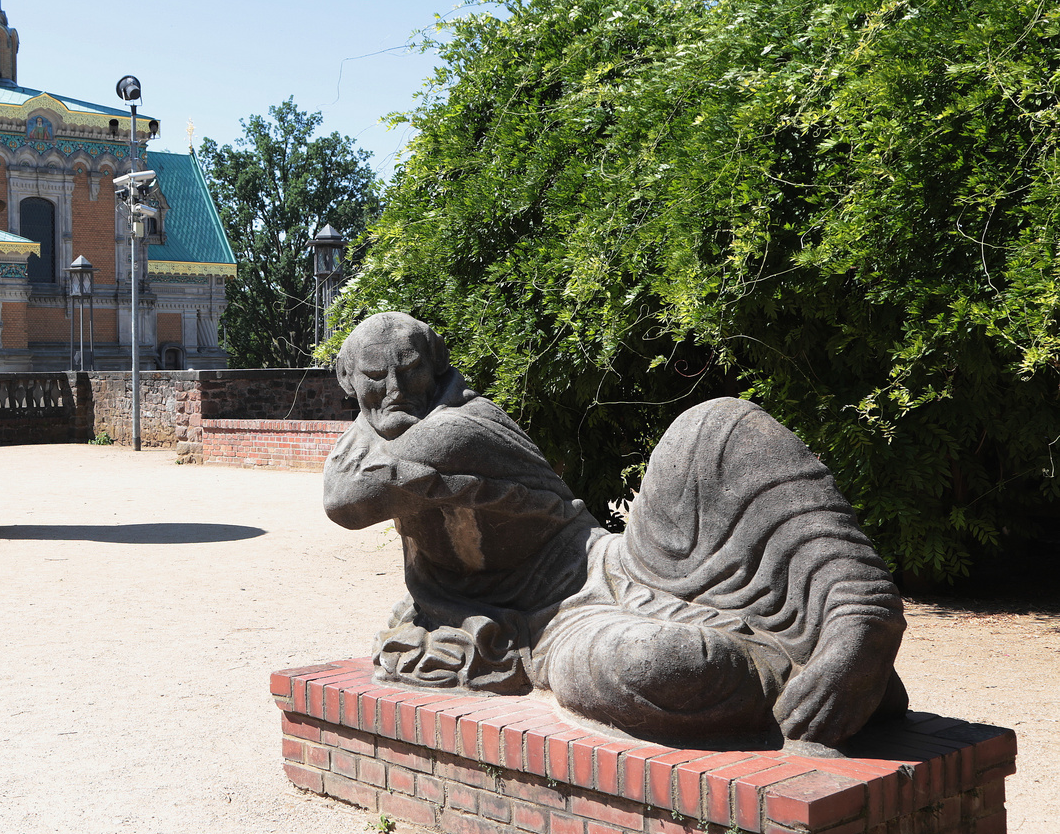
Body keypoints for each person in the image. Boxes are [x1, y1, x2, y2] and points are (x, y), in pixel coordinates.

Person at [324, 312, 907, 750]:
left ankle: (861, 610)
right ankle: (804, 678)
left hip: (614, 563)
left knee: (714, 427)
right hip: (554, 627)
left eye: (412, 371)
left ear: (440, 367)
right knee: (649, 662)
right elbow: (345, 498)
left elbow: (351, 496)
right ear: (348, 381)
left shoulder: (458, 427)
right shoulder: (387, 433)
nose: (398, 393)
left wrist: (375, 426)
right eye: (376, 379)